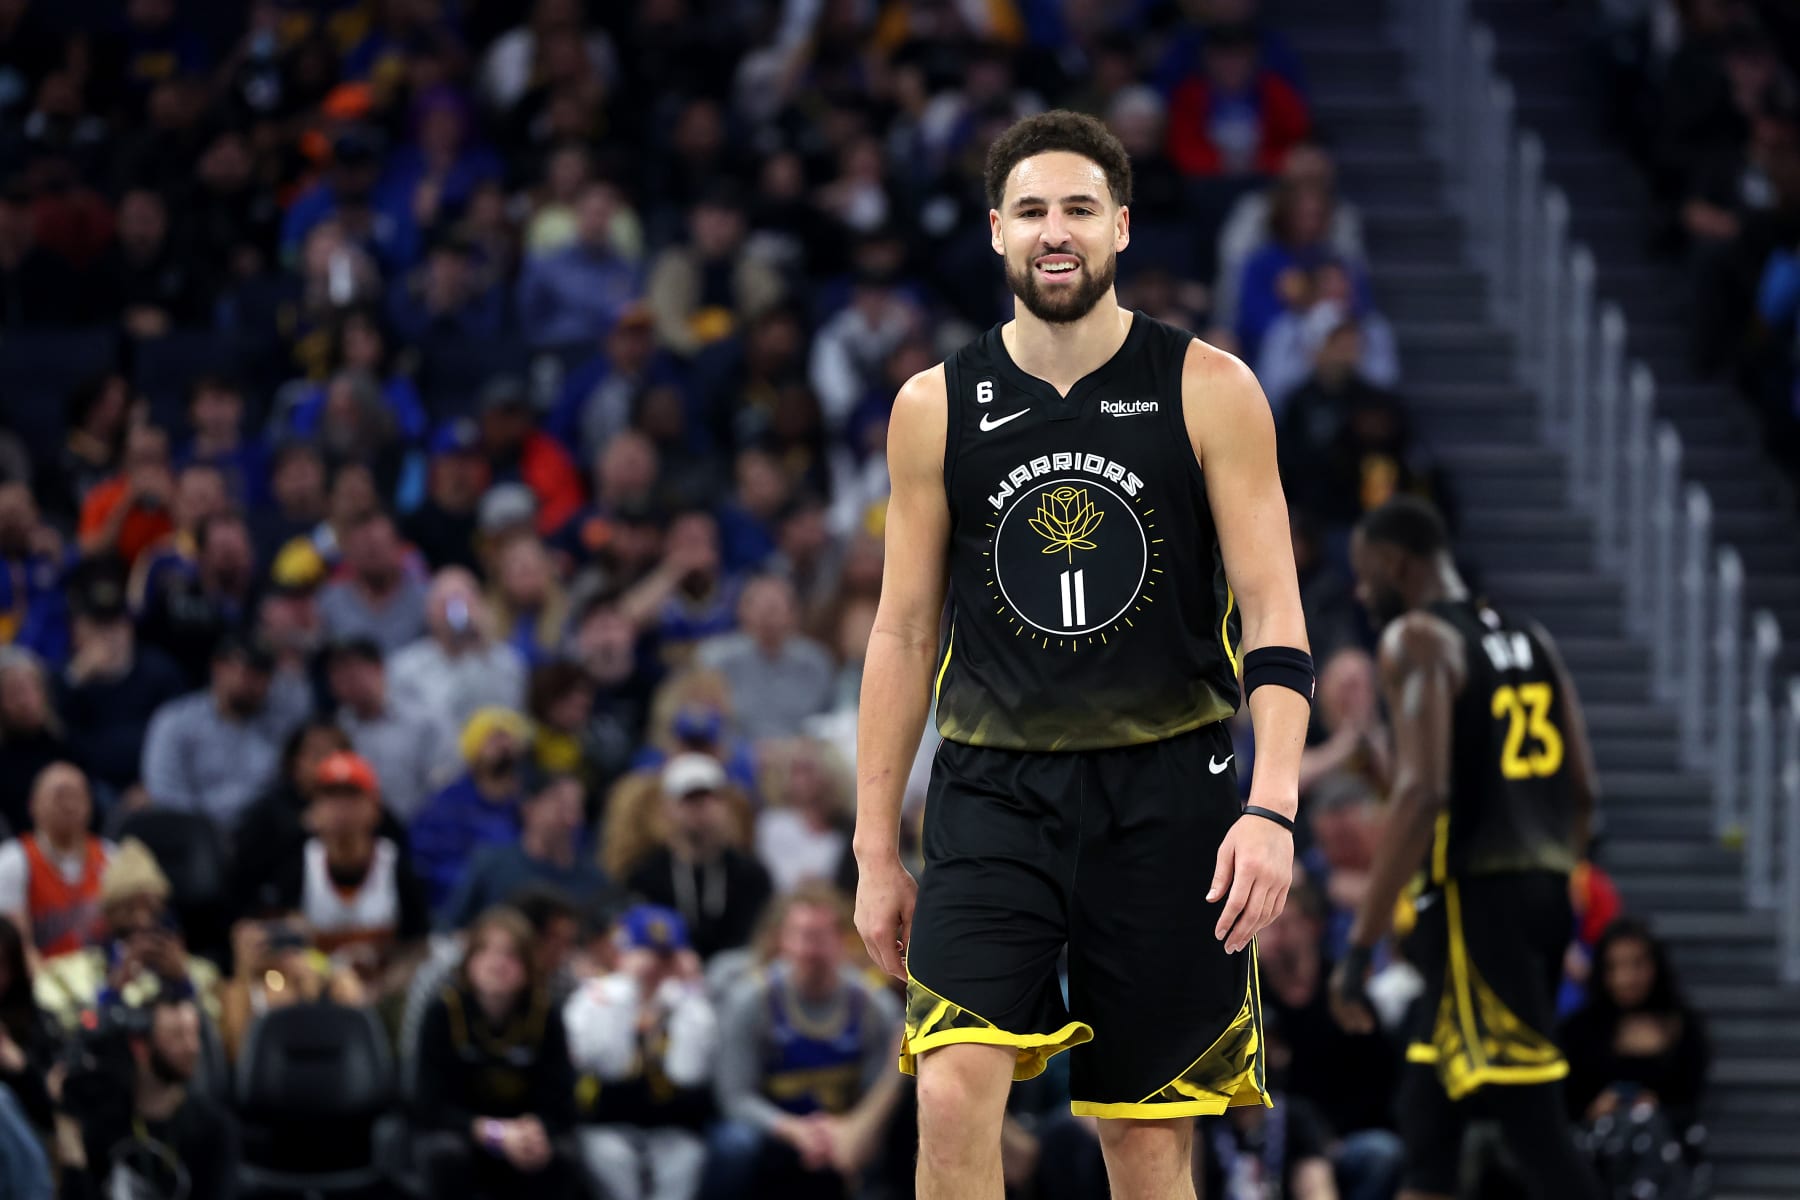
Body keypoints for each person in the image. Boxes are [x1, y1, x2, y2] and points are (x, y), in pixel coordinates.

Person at [853, 110, 1310, 1196]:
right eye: (1030, 212)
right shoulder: (932, 405)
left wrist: (1276, 806)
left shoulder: (1212, 387)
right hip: (992, 791)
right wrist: (875, 847)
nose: (1054, 233)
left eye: (1076, 210)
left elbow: (1276, 617)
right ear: (997, 232)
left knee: (1145, 1137)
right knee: (953, 1082)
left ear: (1121, 227)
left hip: (1170, 793)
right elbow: (904, 630)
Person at [1328, 495, 1603, 1200]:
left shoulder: (1417, 638)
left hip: (1477, 904)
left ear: (1395, 562)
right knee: (1428, 1118)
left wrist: (1360, 947)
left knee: (1534, 1130)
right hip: (1539, 893)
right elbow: (1583, 791)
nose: (1361, 593)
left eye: (1365, 576)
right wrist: (1552, 887)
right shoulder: (1530, 635)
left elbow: (1425, 796)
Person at [712, 883, 905, 1200]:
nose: (809, 949)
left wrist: (846, 1132)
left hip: (847, 1136)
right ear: (782, 940)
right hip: (773, 1133)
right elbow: (734, 1097)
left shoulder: (874, 1006)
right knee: (734, 1144)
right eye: (799, 935)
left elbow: (874, 1099)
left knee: (898, 1134)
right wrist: (794, 1131)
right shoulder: (750, 1001)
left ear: (841, 941)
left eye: (819, 937)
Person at [412, 907, 585, 1200]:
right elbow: (427, 1104)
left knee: (561, 1155)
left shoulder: (545, 1013)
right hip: (464, 1131)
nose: (497, 964)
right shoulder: (444, 1010)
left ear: (529, 965)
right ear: (469, 960)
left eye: (510, 955)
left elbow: (563, 1100)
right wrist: (494, 1133)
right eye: (487, 952)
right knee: (444, 1153)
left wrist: (536, 1129)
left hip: (525, 1132)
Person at [564, 903, 717, 1200]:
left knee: (684, 1165)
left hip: (671, 1128)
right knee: (612, 1165)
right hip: (606, 1124)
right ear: (623, 952)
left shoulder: (689, 1002)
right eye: (645, 952)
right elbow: (611, 1064)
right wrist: (628, 992)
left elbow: (687, 1072)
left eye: (665, 956)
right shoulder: (596, 996)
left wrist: (686, 994)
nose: (654, 965)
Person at [58, 993, 240, 1200]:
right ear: (141, 1047)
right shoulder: (105, 1122)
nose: (192, 1047)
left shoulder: (214, 1129)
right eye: (176, 1036)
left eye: (194, 1033)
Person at [139, 631, 312, 827]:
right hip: (193, 841)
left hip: (264, 838)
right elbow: (167, 797)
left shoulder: (281, 724)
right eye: (247, 670)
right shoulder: (175, 722)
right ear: (218, 668)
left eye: (264, 673)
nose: (255, 682)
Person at [1559, 917, 1710, 1139]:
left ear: (1655, 966)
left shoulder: (1683, 1026)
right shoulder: (1576, 1031)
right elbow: (1561, 1104)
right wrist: (1593, 1110)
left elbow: (1691, 1099)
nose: (1625, 979)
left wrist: (1656, 1109)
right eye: (1614, 967)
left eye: (1637, 964)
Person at [626, 753, 772, 961]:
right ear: (668, 807)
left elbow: (758, 939)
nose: (700, 809)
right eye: (689, 800)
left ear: (725, 805)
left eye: (708, 798)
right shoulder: (646, 876)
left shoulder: (751, 875)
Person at [441, 769, 615, 929]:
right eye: (560, 807)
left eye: (576, 808)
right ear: (529, 808)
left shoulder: (594, 880)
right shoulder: (491, 865)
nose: (570, 819)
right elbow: (449, 927)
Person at [0, 763, 114, 959]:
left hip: (104, 977)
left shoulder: (111, 856)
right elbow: (19, 950)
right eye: (59, 796)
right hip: (44, 979)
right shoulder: (13, 861)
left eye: (77, 796)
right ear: (33, 804)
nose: (69, 805)